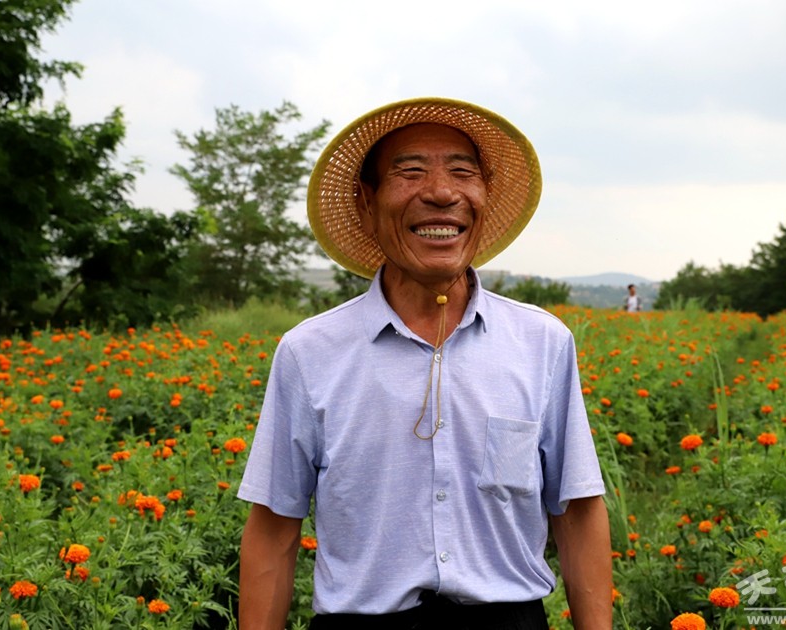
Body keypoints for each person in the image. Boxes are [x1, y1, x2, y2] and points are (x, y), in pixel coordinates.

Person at [237, 97, 612, 630]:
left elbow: (576, 509)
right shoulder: (310, 351)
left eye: (463, 172)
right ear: (366, 202)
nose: (441, 193)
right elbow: (275, 526)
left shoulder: (542, 342)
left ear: (485, 196)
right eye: (410, 172)